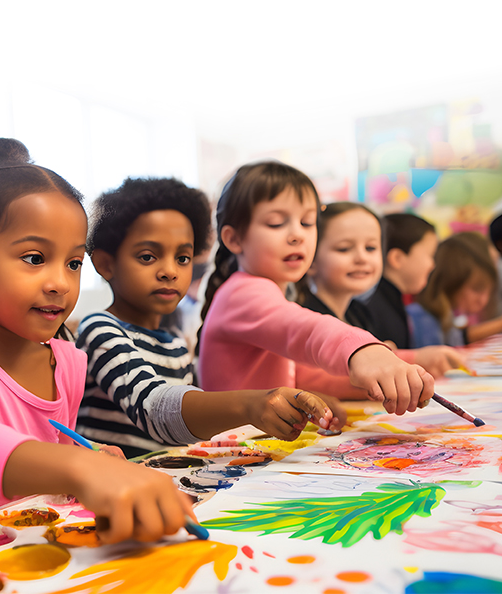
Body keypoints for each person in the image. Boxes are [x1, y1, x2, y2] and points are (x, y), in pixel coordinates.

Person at [0, 136, 196, 547]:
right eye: (34, 258)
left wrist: (91, 457)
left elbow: (51, 479)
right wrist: (78, 468)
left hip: (16, 556)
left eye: (73, 263)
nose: (60, 283)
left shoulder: (67, 362)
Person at [76, 177, 333, 458]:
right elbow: (152, 410)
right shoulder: (100, 328)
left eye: (182, 258)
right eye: (148, 257)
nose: (169, 271)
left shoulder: (173, 342)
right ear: (105, 264)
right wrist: (252, 405)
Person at [198, 161, 434, 417]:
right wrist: (364, 351)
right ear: (234, 238)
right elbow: (306, 331)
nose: (297, 235)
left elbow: (305, 375)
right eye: (276, 223)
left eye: (307, 222)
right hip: (232, 450)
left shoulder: (269, 292)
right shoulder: (242, 293)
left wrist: (406, 365)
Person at [295, 202, 467, 400]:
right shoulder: (305, 317)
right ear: (311, 260)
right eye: (344, 249)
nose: (361, 258)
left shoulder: (359, 312)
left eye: (370, 248)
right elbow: (308, 379)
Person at [409, 231, 502, 346]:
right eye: (477, 289)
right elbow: (456, 341)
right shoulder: (422, 319)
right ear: (452, 281)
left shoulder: (447, 316)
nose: (484, 299)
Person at [360, 212, 439, 349]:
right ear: (397, 258)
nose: (433, 265)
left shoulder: (390, 302)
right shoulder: (374, 309)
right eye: (430, 255)